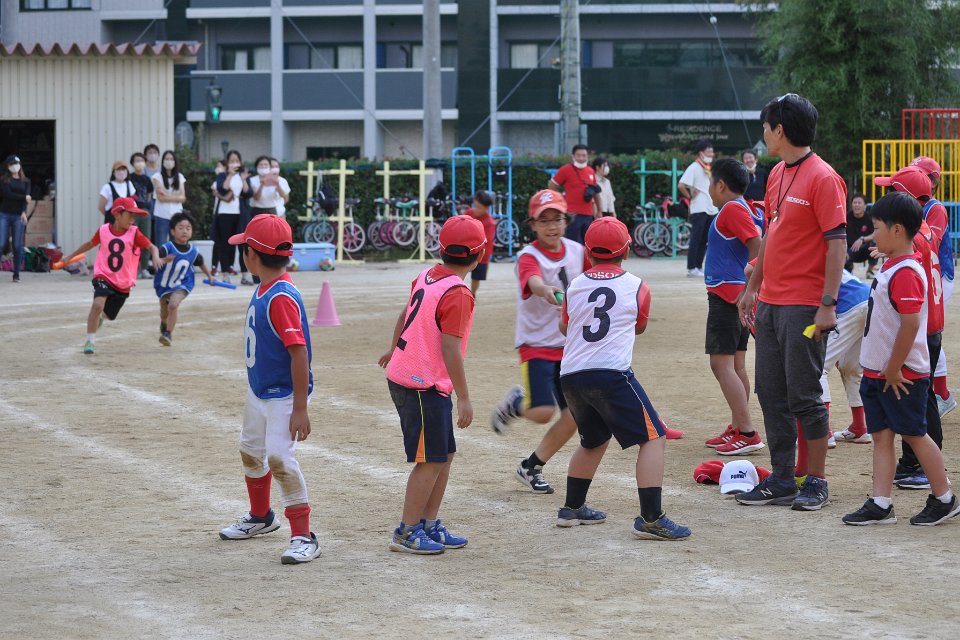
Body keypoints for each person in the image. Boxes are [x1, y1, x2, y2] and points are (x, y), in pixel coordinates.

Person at [736, 93, 847, 511]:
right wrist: (753, 288)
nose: (763, 134)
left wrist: (828, 303)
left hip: (804, 306)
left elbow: (837, 245)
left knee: (804, 395)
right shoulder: (777, 173)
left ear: (779, 130)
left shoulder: (824, 177)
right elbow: (772, 235)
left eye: (766, 127)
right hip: (770, 303)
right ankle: (782, 478)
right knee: (770, 393)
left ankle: (816, 480)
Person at [555, 217, 691, 540]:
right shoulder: (638, 286)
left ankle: (572, 508)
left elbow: (565, 326)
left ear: (588, 252)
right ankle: (651, 518)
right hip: (611, 374)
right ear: (626, 251)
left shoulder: (574, 286)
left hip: (571, 375)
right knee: (654, 437)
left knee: (594, 439)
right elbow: (638, 326)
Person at [842, 191, 959, 526]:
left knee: (914, 434)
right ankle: (881, 503)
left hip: (901, 374)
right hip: (879, 372)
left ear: (896, 231)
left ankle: (945, 498)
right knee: (881, 435)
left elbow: (910, 325)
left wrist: (893, 368)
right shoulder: (894, 263)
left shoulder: (906, 271)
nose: (873, 235)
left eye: (877, 228)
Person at [378, 215, 486, 555]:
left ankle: (428, 523)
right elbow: (450, 348)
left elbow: (404, 314)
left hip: (413, 379)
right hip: (422, 384)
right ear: (480, 255)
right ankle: (407, 531)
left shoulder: (427, 275)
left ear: (441, 249)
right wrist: (464, 397)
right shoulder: (459, 293)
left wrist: (394, 348)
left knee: (443, 454)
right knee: (431, 459)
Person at [218, 214, 321, 565]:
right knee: (250, 450)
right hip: (259, 390)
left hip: (284, 395)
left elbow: (299, 352)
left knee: (279, 458)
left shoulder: (280, 296)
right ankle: (261, 517)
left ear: (251, 255)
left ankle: (304, 536)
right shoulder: (265, 286)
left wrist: (300, 407)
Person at [490, 190, 588, 494]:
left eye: (557, 219)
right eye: (543, 221)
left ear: (566, 221)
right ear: (532, 224)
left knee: (575, 415)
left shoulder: (578, 251)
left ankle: (531, 466)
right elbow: (534, 283)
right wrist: (549, 292)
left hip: (569, 346)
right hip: (536, 345)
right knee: (542, 412)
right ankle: (516, 403)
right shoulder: (528, 256)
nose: (551, 226)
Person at [872, 166, 946, 491]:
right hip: (930, 323)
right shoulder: (923, 227)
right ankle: (913, 463)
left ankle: (922, 467)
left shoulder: (912, 237)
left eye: (891, 190)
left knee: (920, 399)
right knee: (920, 396)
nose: (886, 195)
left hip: (921, 325)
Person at [700, 158, 763, 456]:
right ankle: (739, 426)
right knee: (736, 366)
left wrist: (752, 286)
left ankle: (747, 432)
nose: (709, 189)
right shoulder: (743, 208)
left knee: (721, 365)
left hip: (728, 296)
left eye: (710, 183)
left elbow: (758, 246)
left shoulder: (732, 209)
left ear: (721, 185)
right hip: (736, 296)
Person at [59, 197, 162, 355]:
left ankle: (100, 318)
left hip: (123, 282)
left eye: (135, 215)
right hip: (104, 274)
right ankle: (90, 341)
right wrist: (69, 257)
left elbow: (152, 247)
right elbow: (89, 244)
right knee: (98, 304)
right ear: (117, 214)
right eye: (130, 214)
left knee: (109, 315)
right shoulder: (104, 230)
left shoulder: (134, 233)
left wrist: (155, 255)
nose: (133, 218)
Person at [911, 156, 956, 417]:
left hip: (939, 275)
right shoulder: (916, 204)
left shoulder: (934, 207)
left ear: (933, 181)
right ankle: (940, 393)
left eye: (921, 174)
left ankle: (942, 394)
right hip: (924, 272)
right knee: (927, 333)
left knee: (931, 332)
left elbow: (931, 243)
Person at [819, 269, 872, 445]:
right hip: (868, 300)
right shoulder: (826, 256)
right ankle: (860, 427)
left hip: (848, 306)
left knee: (817, 368)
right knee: (851, 368)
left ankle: (822, 433)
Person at [153, 211, 215, 346]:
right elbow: (155, 260)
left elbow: (201, 263)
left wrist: (209, 276)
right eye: (180, 228)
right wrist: (163, 260)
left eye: (188, 228)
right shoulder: (167, 248)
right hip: (164, 285)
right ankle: (164, 323)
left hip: (183, 284)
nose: (184, 231)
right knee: (164, 313)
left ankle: (168, 334)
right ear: (173, 231)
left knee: (173, 304)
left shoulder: (193, 251)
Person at [679, 139, 718, 277]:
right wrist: (690, 195)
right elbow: (681, 185)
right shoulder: (694, 167)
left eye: (712, 151)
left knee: (705, 239)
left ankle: (698, 267)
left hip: (711, 206)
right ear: (701, 153)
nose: (711, 154)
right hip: (699, 207)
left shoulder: (708, 167)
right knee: (696, 238)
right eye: (708, 151)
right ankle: (691, 268)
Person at [549, 144, 601, 244]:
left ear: (587, 156)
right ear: (573, 156)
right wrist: (559, 200)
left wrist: (599, 210)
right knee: (573, 245)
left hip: (588, 215)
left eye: (584, 155)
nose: (581, 158)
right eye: (578, 155)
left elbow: (596, 192)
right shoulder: (565, 169)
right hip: (572, 215)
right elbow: (552, 185)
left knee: (588, 245)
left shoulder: (590, 171)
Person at [214, 150, 252, 285]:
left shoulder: (243, 175)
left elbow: (248, 193)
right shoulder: (222, 175)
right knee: (225, 244)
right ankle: (225, 274)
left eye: (237, 161)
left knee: (243, 244)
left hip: (240, 214)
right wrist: (230, 175)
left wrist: (243, 179)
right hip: (225, 214)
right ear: (227, 163)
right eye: (231, 161)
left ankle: (245, 274)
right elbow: (222, 189)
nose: (234, 163)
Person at [0, 155, 31, 283]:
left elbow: (27, 199)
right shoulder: (4, 180)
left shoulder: (26, 181)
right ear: (7, 166)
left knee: (17, 245)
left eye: (16, 163)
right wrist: (24, 197)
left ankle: (16, 274)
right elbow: (8, 195)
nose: (15, 166)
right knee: (1, 243)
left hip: (19, 216)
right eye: (12, 164)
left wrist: (24, 212)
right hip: (4, 214)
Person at [464, 190, 497, 298]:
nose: (476, 210)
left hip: (481, 255)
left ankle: (472, 294)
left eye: (480, 208)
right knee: (458, 272)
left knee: (476, 278)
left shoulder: (490, 223)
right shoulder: (468, 213)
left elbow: (485, 241)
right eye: (476, 206)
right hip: (465, 250)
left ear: (486, 208)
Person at [150, 150, 186, 249]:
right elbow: (161, 198)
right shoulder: (157, 177)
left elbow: (183, 198)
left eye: (171, 159)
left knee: (176, 245)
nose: (169, 161)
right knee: (161, 245)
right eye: (166, 159)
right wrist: (176, 197)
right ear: (162, 161)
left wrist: (166, 194)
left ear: (175, 161)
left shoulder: (180, 177)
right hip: (161, 215)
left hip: (177, 215)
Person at [129, 152, 155, 278]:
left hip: (144, 211)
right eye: (136, 160)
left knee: (145, 239)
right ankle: (133, 268)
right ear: (132, 163)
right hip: (132, 212)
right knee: (132, 240)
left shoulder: (147, 179)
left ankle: (144, 268)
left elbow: (149, 194)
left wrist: (147, 205)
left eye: (141, 160)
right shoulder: (129, 178)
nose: (139, 163)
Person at [845, 194, 877, 277]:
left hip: (864, 248)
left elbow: (875, 234)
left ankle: (869, 271)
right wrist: (843, 249)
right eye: (854, 202)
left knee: (875, 245)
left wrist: (862, 239)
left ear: (865, 205)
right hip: (849, 249)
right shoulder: (846, 217)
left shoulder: (870, 218)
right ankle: (849, 271)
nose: (856, 205)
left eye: (859, 203)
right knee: (841, 252)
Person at [98, 161, 137, 226]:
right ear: (113, 172)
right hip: (112, 222)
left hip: (127, 222)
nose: (121, 172)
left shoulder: (129, 184)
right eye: (118, 170)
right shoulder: (107, 187)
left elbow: (133, 202)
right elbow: (101, 207)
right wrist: (110, 216)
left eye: (123, 169)